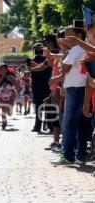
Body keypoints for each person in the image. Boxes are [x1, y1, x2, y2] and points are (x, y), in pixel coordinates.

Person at [52, 26, 88, 165]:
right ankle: (80, 155)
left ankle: (68, 156)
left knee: (68, 125)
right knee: (80, 125)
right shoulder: (83, 48)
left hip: (75, 89)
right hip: (82, 88)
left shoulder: (75, 49)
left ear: (78, 35)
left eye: (68, 35)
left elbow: (66, 69)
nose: (65, 38)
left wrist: (64, 60)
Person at [0, 64, 17, 130]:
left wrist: (18, 89)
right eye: (1, 69)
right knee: (3, 108)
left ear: (7, 69)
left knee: (8, 109)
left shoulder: (11, 76)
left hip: (10, 93)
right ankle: (4, 121)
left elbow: (15, 84)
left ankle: (9, 111)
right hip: (1, 94)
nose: (3, 70)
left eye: (4, 69)